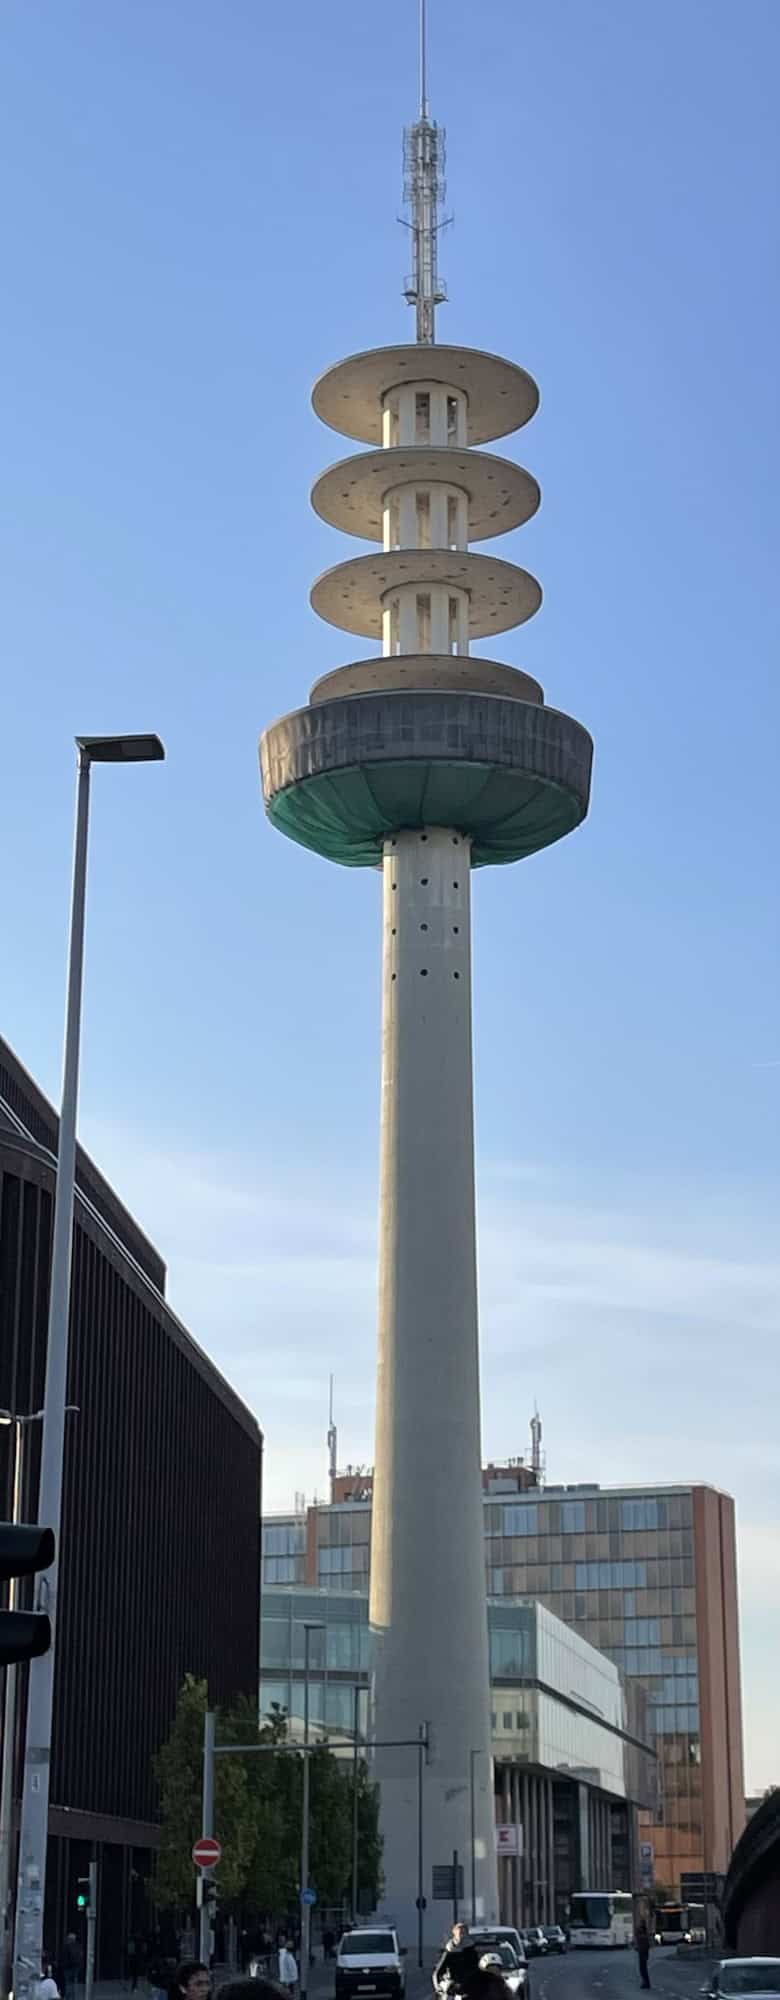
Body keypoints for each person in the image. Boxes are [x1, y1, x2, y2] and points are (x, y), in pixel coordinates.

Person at [433, 1922, 483, 1997]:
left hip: (469, 1988)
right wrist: (438, 1987)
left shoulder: (471, 1951)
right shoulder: (450, 1951)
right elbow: (438, 1972)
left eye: (464, 1932)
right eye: (460, 1933)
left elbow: (478, 1969)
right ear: (454, 1934)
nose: (462, 1935)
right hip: (452, 1987)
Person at [63, 1933, 81, 2000]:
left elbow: (64, 1958)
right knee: (74, 1983)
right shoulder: (78, 1946)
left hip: (67, 1968)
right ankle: (73, 1997)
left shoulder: (66, 1946)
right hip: (75, 1967)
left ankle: (68, 1997)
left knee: (68, 1983)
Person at [635, 1920, 651, 1991]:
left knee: (643, 1969)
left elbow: (644, 1947)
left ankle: (646, 1983)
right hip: (643, 1954)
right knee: (643, 1969)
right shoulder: (643, 1936)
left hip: (642, 1955)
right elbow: (646, 1946)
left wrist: (638, 1949)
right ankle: (646, 1982)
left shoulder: (642, 1937)